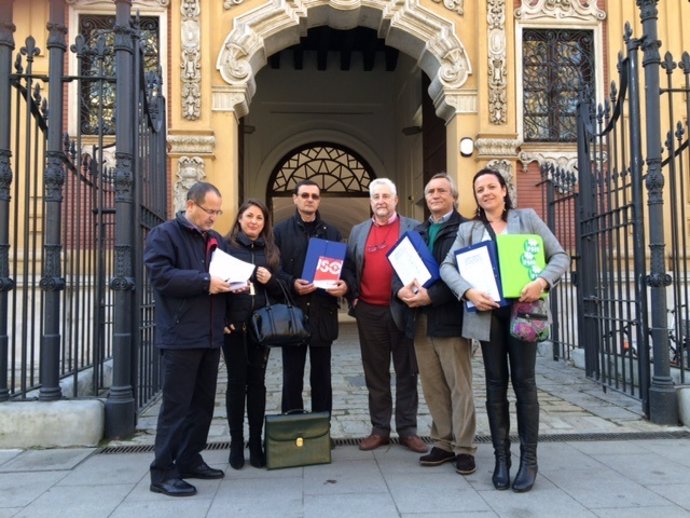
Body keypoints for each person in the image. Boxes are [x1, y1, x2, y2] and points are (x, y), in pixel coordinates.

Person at [440, 168, 569, 492]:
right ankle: (501, 459)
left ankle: (529, 460)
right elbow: (447, 266)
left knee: (524, 383)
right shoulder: (469, 229)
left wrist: (540, 282)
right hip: (488, 316)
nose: (486, 193)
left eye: (491, 187)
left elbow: (559, 256)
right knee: (495, 386)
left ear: (503, 190)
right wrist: (468, 292)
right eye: (480, 189)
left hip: (523, 313)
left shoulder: (527, 219)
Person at [144, 182, 232, 497]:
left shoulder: (215, 240)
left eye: (218, 212)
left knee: (202, 406)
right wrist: (205, 281)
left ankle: (190, 458)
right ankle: (163, 472)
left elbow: (221, 279)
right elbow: (160, 276)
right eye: (210, 211)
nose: (214, 217)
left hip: (210, 335)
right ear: (190, 204)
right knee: (176, 407)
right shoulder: (165, 234)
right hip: (180, 336)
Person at [395, 173, 477, 475]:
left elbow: (466, 274)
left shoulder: (467, 229)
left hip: (451, 319)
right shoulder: (417, 231)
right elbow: (399, 272)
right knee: (432, 387)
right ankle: (442, 442)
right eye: (430, 191)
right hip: (419, 321)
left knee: (459, 387)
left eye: (442, 190)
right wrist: (399, 291)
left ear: (453, 196)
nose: (435, 195)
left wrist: (432, 297)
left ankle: (465, 447)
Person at [346, 178, 426, 453]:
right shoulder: (358, 231)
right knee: (376, 373)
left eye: (386, 196)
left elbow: (424, 265)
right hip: (369, 311)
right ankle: (380, 429)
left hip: (403, 310)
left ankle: (407, 430)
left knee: (407, 371)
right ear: (371, 201)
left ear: (396, 200)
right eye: (376, 196)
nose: (381, 201)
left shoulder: (414, 227)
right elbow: (348, 267)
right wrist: (353, 295)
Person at [273, 180, 349, 418]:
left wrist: (344, 285)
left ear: (319, 200)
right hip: (293, 314)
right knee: (292, 377)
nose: (309, 199)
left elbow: (343, 270)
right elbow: (274, 270)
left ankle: (321, 432)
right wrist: (292, 283)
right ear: (294, 198)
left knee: (322, 378)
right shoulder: (279, 231)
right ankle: (292, 427)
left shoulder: (333, 232)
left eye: (314, 196)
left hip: (322, 313)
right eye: (304, 195)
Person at [223, 199, 284, 470]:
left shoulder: (270, 251)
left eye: (259, 218)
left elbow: (282, 290)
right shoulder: (226, 248)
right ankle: (236, 443)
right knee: (236, 383)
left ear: (264, 223)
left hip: (261, 327)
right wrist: (223, 318)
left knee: (257, 384)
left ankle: (256, 443)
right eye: (249, 216)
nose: (254, 222)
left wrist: (269, 280)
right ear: (239, 219)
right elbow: (215, 285)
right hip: (233, 327)